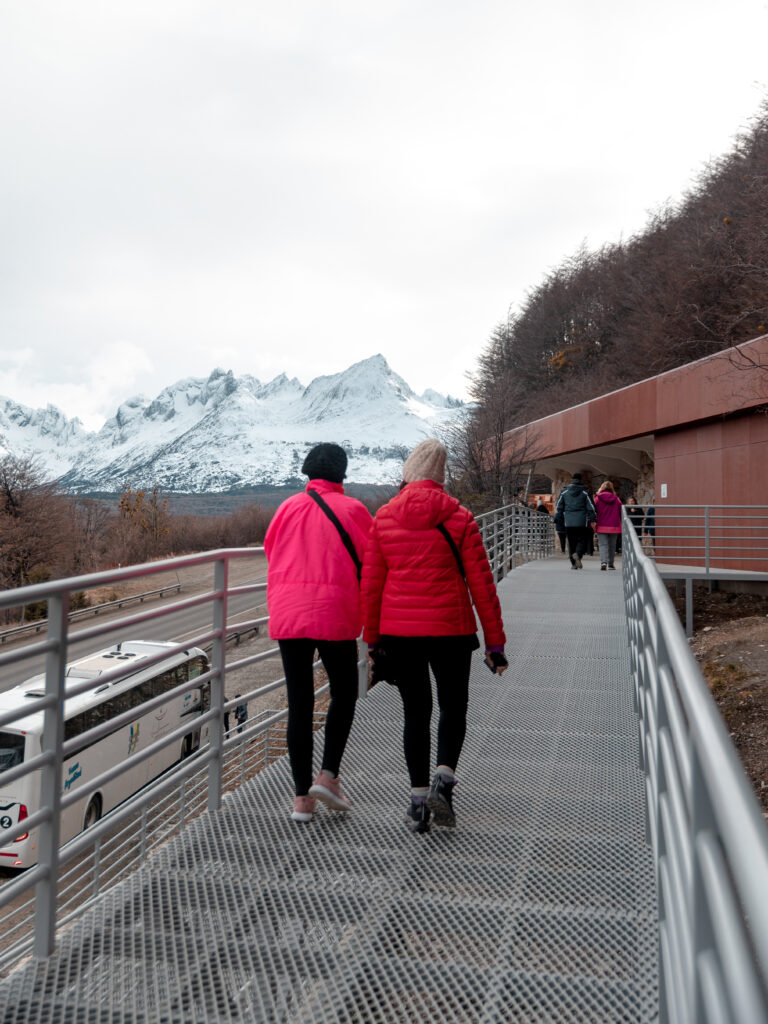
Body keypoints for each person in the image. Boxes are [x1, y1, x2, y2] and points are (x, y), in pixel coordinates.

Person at [361, 439, 508, 834]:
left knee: (416, 712)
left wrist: (372, 641)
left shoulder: (384, 519)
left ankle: (418, 800)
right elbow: (482, 585)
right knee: (453, 707)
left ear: (408, 474)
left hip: (400, 632)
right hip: (452, 629)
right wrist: (495, 643)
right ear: (440, 478)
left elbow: (371, 586)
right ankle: (445, 777)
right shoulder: (460, 518)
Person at [264, 442, 373, 823]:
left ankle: (300, 801)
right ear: (342, 474)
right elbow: (371, 561)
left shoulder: (286, 508)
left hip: (290, 614)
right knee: (343, 692)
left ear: (308, 473)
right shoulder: (355, 510)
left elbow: (270, 549)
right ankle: (328, 775)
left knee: (300, 703)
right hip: (335, 613)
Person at [554, 473, 596, 569]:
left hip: (568, 520)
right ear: (580, 480)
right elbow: (591, 507)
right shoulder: (585, 492)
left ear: (572, 479)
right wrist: (593, 519)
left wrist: (558, 518)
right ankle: (578, 554)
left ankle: (573, 564)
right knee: (582, 539)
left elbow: (559, 506)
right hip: (582, 520)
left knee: (571, 541)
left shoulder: (564, 492)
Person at [593, 481, 622, 570]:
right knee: (612, 545)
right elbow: (621, 510)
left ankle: (603, 562)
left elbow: (593, 510)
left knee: (602, 544)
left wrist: (593, 522)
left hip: (601, 525)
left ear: (601, 488)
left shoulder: (597, 498)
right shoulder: (616, 499)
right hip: (614, 525)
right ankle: (611, 564)